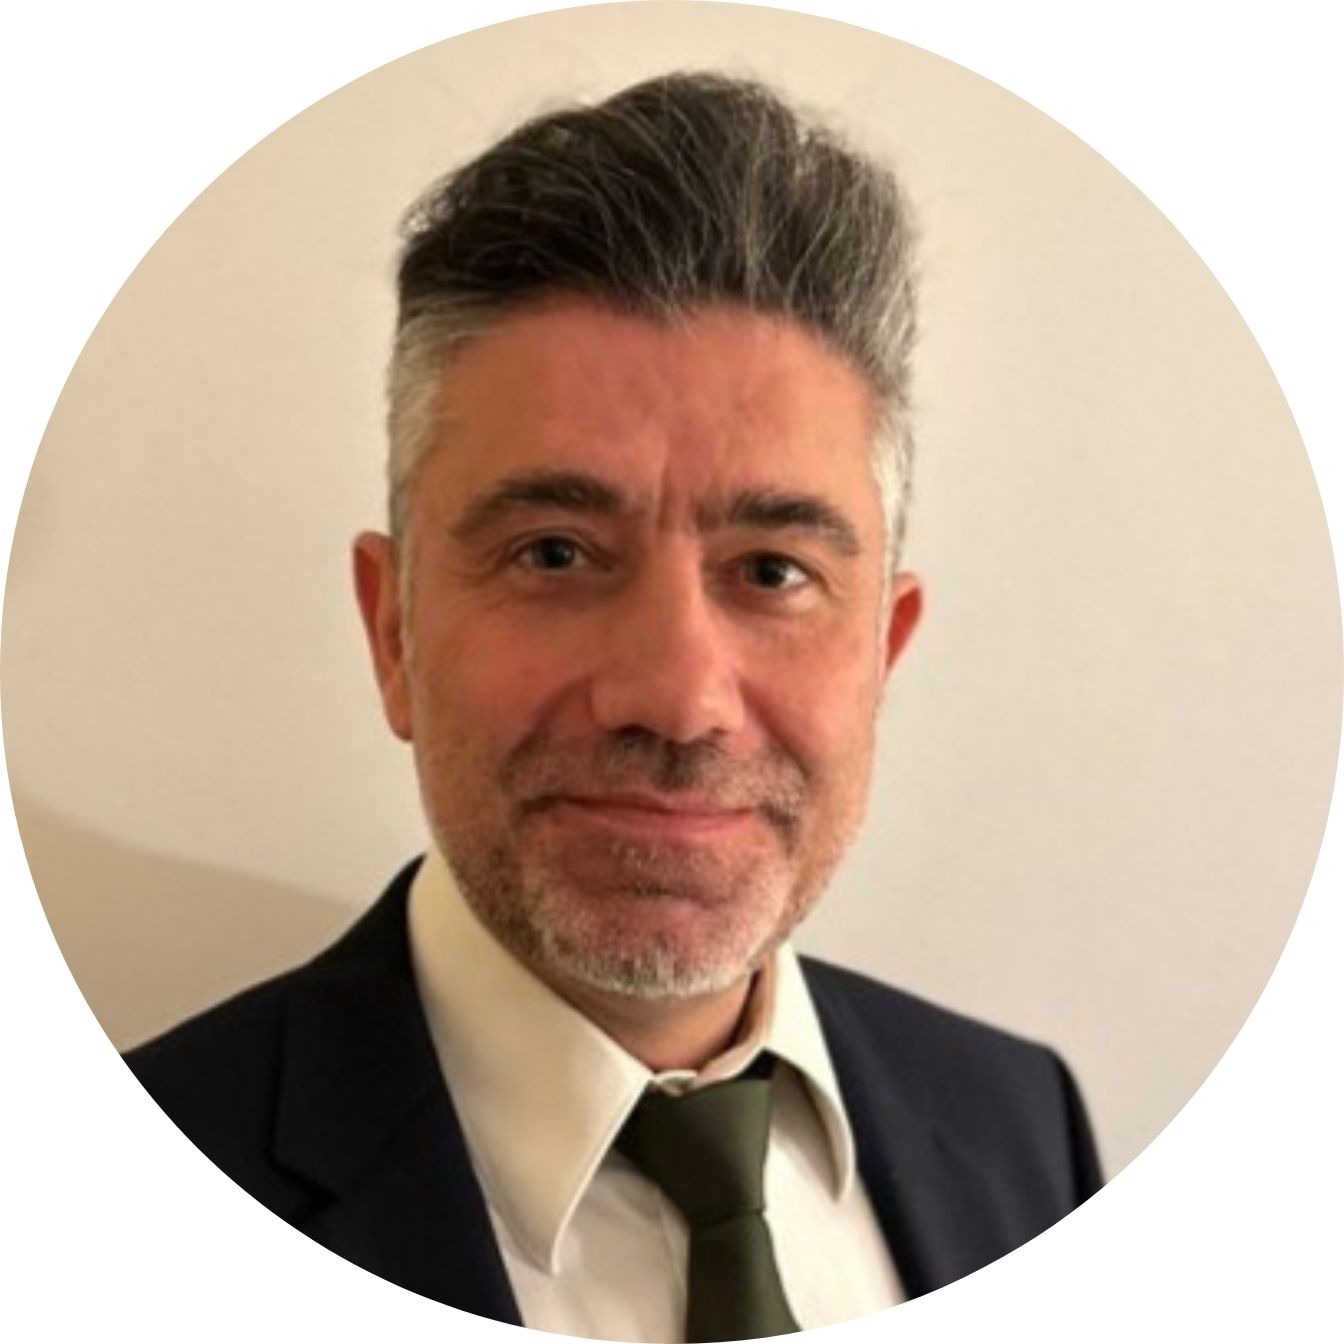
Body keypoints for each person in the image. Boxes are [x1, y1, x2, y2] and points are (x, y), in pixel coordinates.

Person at [126, 72, 1101, 1341]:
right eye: (554, 553)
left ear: (881, 654)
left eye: (773, 572)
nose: (679, 702)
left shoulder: (1025, 1130)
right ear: (393, 633)